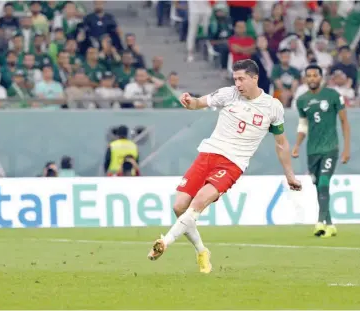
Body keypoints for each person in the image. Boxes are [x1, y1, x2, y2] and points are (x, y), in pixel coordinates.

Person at [147, 60, 302, 273]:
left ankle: (164, 242)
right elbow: (199, 103)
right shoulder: (228, 94)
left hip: (233, 163)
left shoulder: (272, 107)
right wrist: (188, 100)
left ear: (254, 78)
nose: (237, 83)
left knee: (199, 201)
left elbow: (281, 143)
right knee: (179, 206)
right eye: (235, 79)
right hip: (208, 154)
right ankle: (202, 251)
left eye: (241, 79)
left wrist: (290, 175)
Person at [292, 64, 350, 238]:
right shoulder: (302, 100)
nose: (311, 78)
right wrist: (297, 145)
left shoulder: (332, 96)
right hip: (312, 151)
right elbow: (303, 125)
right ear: (305, 79)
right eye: (308, 76)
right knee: (319, 186)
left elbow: (344, 123)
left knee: (324, 182)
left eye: (314, 75)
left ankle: (320, 222)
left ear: (321, 77)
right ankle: (330, 224)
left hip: (330, 148)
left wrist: (346, 149)